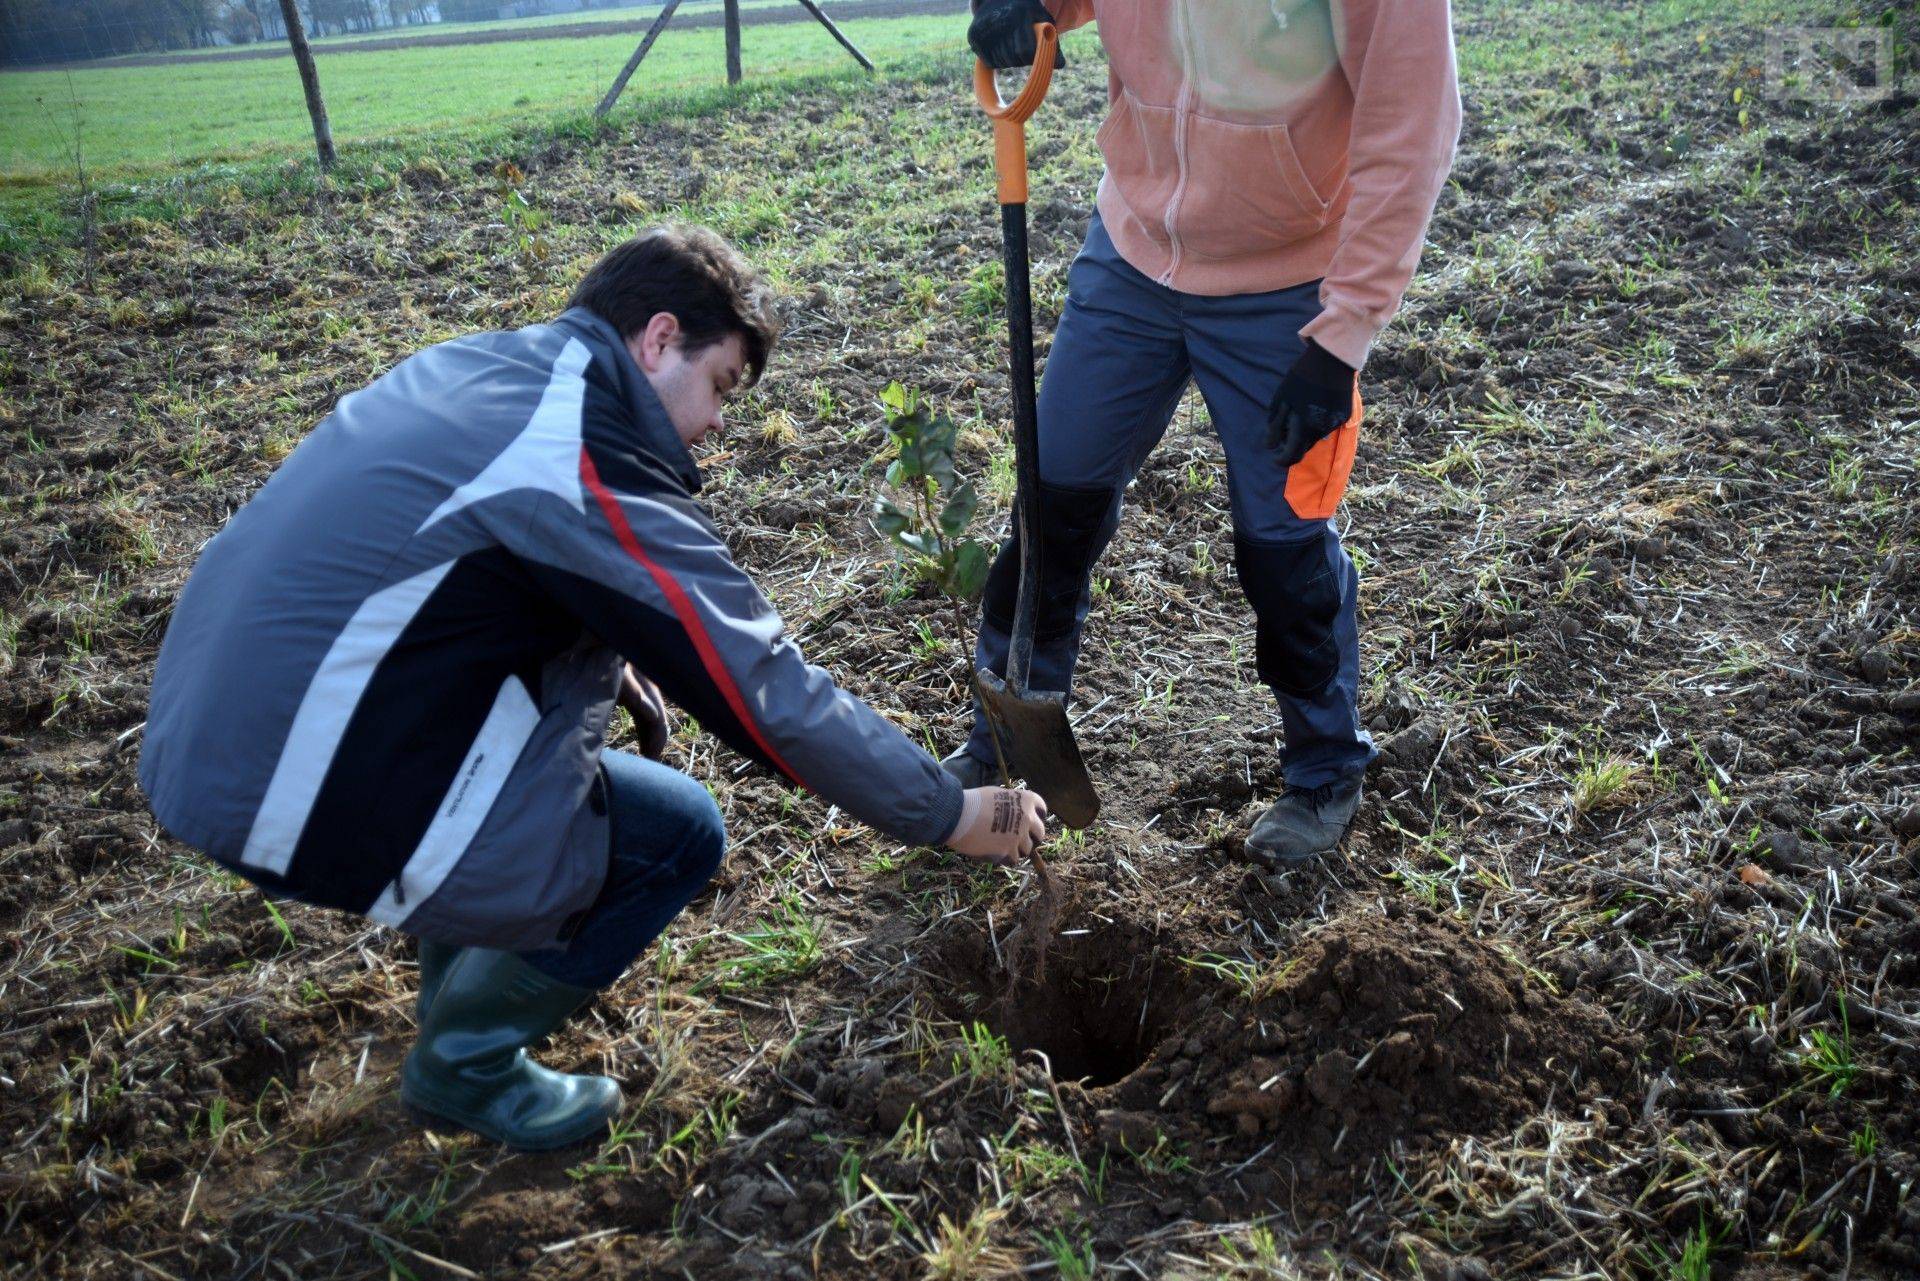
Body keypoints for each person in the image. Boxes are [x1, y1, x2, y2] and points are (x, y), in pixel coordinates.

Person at [139, 226, 1049, 1151]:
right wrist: (949, 811)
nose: (720, 423)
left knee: (538, 737)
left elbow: (455, 581)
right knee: (673, 833)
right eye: (721, 385)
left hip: (208, 735)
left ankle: (456, 987)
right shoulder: (577, 447)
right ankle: (464, 1063)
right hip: (286, 782)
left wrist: (607, 656)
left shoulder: (490, 366)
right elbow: (760, 684)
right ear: (659, 338)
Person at [948, 0, 1462, 864]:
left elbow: (1412, 123)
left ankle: (1325, 769)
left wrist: (1342, 336)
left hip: (1289, 279)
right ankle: (1004, 744)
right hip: (1134, 253)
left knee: (1284, 550)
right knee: (1050, 508)